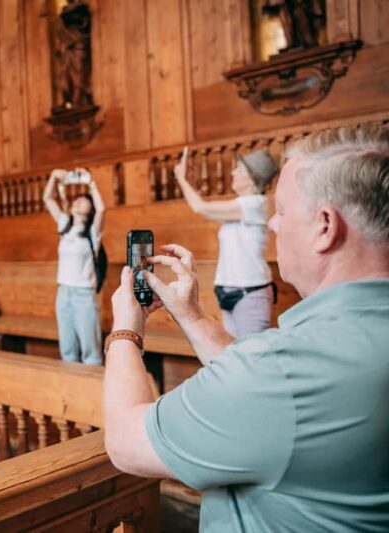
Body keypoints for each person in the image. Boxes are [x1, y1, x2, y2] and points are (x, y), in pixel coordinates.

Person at [103, 124, 389, 532]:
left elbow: (125, 441)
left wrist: (125, 331)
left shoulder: (282, 372)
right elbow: (261, 384)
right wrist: (193, 317)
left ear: (325, 226)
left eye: (284, 211)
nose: (272, 224)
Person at [174, 148, 279, 337]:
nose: (232, 173)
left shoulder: (255, 204)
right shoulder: (241, 206)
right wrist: (190, 182)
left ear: (252, 177)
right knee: (233, 356)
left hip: (250, 293)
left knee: (250, 359)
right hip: (227, 289)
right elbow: (207, 209)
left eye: (238, 169)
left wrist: (181, 179)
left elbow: (200, 208)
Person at [43, 168, 105, 365]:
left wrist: (90, 183)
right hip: (63, 293)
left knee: (91, 350)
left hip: (83, 294)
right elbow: (48, 199)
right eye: (77, 198)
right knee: (67, 350)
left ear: (91, 207)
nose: (79, 200)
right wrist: (53, 176)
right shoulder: (65, 226)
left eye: (84, 199)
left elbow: (103, 209)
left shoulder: (93, 233)